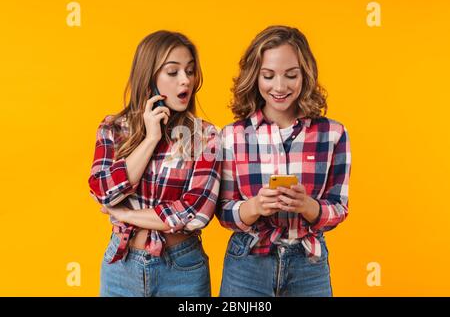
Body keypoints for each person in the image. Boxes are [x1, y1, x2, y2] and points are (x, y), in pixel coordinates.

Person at [217, 25, 351, 297]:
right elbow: (223, 210)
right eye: (268, 76)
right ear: (255, 77)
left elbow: (339, 208)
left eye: (291, 75)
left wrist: (308, 206)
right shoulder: (232, 136)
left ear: (306, 75)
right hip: (247, 262)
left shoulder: (333, 134)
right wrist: (254, 206)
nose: (279, 87)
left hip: (309, 264)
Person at [88, 30, 221, 297]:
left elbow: (195, 213)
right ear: (149, 76)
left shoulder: (206, 136)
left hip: (182, 268)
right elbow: (102, 191)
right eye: (173, 72)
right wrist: (150, 139)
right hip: (121, 266)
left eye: (190, 71)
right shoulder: (113, 129)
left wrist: (126, 215)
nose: (186, 80)